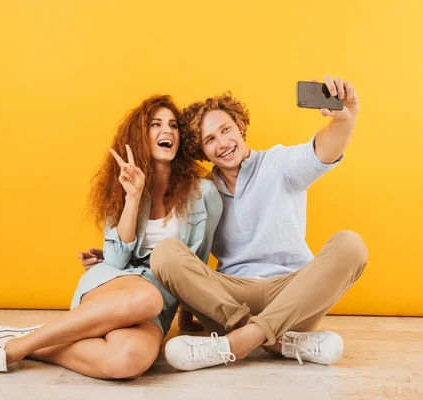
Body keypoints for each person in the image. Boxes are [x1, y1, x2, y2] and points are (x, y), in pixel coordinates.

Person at [0, 95, 222, 378]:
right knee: (146, 298)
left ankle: (36, 342)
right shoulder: (123, 185)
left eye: (173, 126)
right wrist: (133, 197)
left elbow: (195, 264)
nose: (166, 131)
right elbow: (116, 259)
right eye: (155, 124)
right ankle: (11, 351)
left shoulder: (204, 194)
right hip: (116, 284)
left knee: (127, 361)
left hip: (160, 299)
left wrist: (186, 317)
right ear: (140, 136)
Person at [150, 76, 369, 371]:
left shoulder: (280, 163)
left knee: (351, 245)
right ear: (201, 151)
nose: (223, 143)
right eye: (210, 139)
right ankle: (278, 341)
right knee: (164, 253)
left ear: (240, 126)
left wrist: (345, 120)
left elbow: (323, 150)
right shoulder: (201, 192)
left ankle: (241, 341)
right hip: (230, 300)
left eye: (226, 130)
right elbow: (187, 253)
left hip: (292, 295)